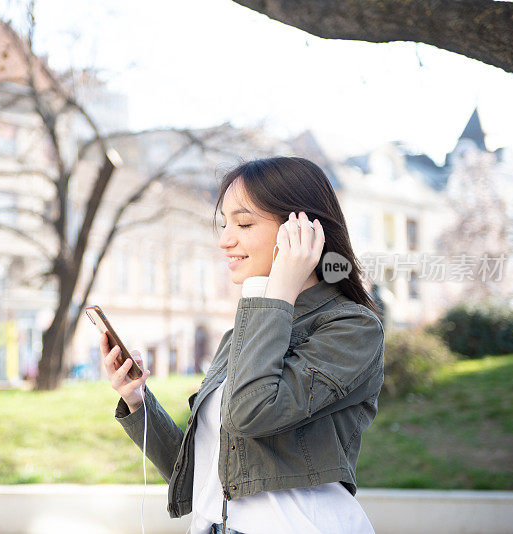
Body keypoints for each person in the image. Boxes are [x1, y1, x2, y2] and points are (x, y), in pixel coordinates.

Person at [101, 157, 384, 534]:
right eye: (224, 224)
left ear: (300, 231)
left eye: (244, 223)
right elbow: (195, 472)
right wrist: (138, 400)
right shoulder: (243, 333)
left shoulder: (353, 328)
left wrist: (279, 287)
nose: (225, 239)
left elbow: (251, 413)